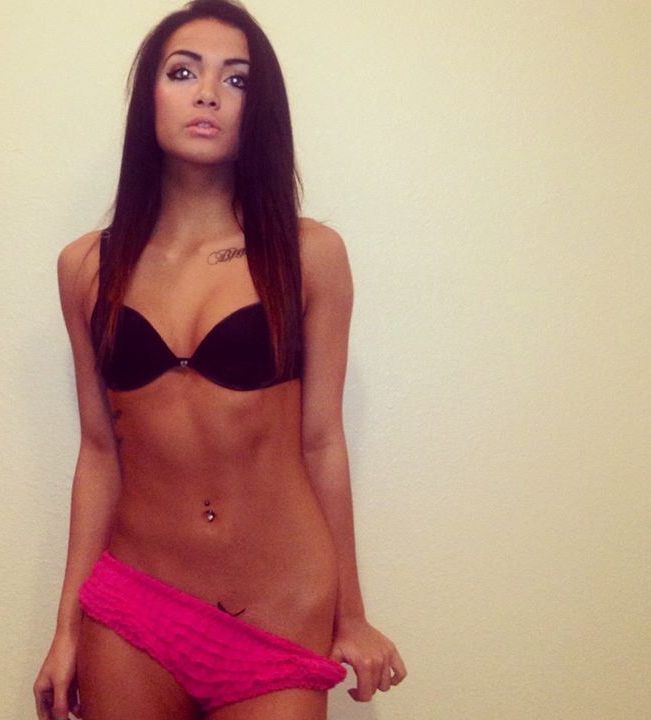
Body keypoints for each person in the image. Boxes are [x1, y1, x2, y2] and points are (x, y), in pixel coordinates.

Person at [32, 1, 406, 718]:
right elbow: (99, 450)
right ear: (149, 96)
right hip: (135, 608)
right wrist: (67, 629)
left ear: (258, 111)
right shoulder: (85, 267)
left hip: (280, 606)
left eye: (236, 80)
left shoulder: (308, 254)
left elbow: (322, 441)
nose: (208, 93)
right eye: (183, 72)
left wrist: (352, 615)